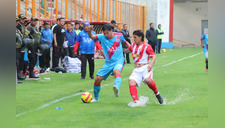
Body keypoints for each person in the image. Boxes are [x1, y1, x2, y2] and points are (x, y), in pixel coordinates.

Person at [87, 24, 130, 102]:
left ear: (111, 30)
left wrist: (132, 49)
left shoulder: (119, 35)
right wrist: (89, 31)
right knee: (97, 79)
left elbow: (125, 43)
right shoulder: (102, 36)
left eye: (107, 33)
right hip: (108, 63)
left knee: (116, 71)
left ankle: (116, 88)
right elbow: (91, 36)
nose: (106, 35)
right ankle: (96, 99)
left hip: (119, 60)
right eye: (104, 33)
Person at [126, 30, 163, 107]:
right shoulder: (133, 45)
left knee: (148, 80)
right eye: (133, 37)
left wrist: (150, 65)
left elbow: (154, 57)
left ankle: (157, 93)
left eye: (135, 37)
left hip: (145, 67)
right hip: (136, 69)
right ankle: (136, 102)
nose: (134, 39)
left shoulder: (147, 46)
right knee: (131, 82)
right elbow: (127, 50)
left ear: (140, 37)